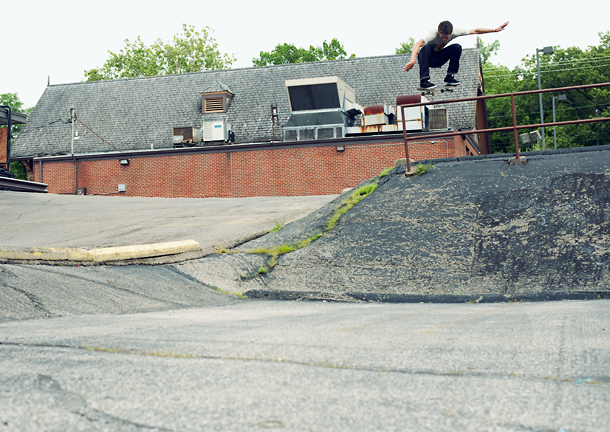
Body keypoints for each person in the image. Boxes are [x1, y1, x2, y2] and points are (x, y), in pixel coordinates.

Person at [403, 21, 509, 89]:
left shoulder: (455, 32)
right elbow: (417, 44)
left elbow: (475, 30)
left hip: (439, 58)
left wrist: (495, 30)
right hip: (427, 59)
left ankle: (450, 76)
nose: (444, 39)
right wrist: (412, 61)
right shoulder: (432, 34)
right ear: (439, 32)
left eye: (446, 37)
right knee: (426, 47)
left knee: (457, 47)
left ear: (451, 32)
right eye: (442, 37)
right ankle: (424, 80)